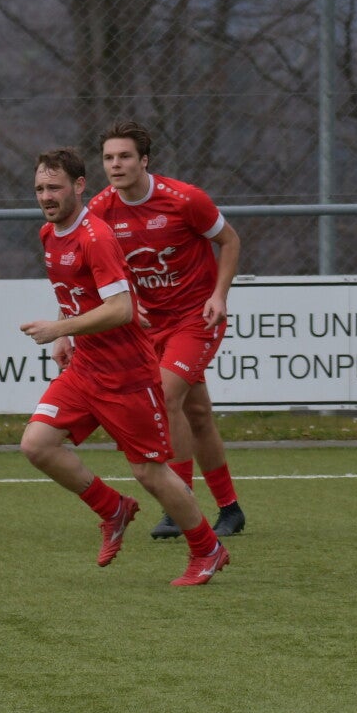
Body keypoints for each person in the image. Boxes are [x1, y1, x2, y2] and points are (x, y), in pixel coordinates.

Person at [19, 148, 231, 586]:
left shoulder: (95, 237)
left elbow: (121, 309)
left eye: (55, 187)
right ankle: (113, 508)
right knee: (37, 444)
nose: (46, 196)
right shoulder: (49, 233)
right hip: (85, 370)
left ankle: (207, 549)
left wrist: (60, 327)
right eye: (39, 188)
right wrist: (65, 336)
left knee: (149, 471)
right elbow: (76, 295)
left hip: (126, 375)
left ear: (79, 186)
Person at [77, 119, 245, 541]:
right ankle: (231, 509)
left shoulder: (185, 199)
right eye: (108, 158)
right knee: (197, 413)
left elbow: (230, 241)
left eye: (125, 156)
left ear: (144, 160)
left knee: (167, 396)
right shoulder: (99, 210)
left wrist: (219, 295)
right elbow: (86, 274)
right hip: (148, 327)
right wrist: (72, 328)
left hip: (195, 319)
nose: (115, 165)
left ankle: (178, 503)